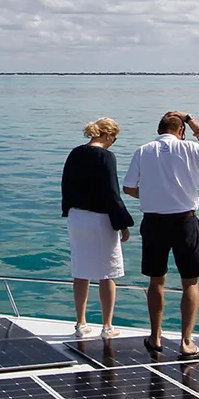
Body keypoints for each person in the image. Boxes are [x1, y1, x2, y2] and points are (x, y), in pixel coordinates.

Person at [122, 111, 199, 358]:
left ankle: (156, 337)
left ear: (159, 130)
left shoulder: (143, 150)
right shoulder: (190, 149)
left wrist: (152, 196)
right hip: (185, 221)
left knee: (156, 280)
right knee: (190, 281)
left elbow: (129, 187)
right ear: (180, 131)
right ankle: (186, 342)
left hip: (153, 222)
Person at [61, 117, 134, 338]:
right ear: (107, 135)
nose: (114, 142)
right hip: (99, 219)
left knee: (81, 271)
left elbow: (65, 184)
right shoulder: (106, 157)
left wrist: (69, 210)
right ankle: (107, 325)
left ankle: (81, 324)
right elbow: (112, 193)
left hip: (76, 217)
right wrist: (123, 224)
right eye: (115, 138)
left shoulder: (75, 153)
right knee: (107, 272)